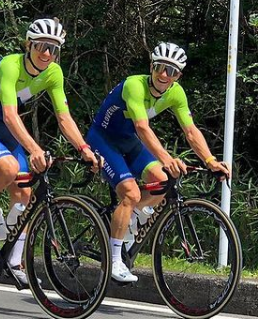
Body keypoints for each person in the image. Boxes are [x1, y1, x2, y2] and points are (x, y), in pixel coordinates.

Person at [0, 18, 98, 285]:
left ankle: (13, 259)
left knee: (24, 193)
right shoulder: (10, 66)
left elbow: (64, 117)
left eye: (53, 49)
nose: (46, 54)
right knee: (8, 168)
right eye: (41, 46)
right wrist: (33, 148)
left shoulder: (53, 73)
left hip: (0, 126)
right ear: (28, 45)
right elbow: (10, 115)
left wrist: (84, 148)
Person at [85, 42, 230, 282]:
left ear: (178, 76)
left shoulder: (176, 93)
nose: (164, 74)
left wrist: (210, 160)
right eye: (161, 67)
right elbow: (142, 127)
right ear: (152, 66)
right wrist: (167, 158)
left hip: (129, 141)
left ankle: (127, 220)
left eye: (171, 71)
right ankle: (114, 260)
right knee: (130, 194)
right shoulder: (135, 85)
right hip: (103, 139)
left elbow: (191, 131)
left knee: (163, 181)